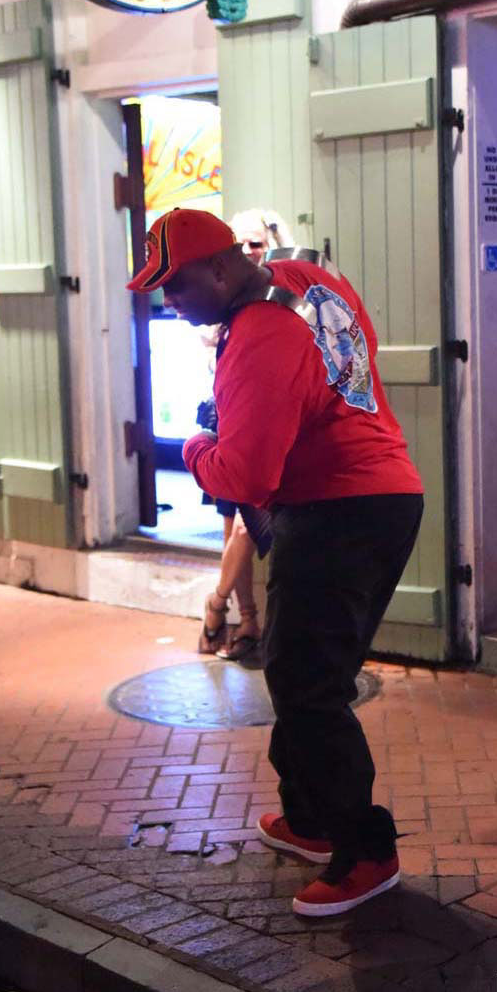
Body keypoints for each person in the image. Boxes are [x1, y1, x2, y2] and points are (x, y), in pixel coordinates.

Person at [127, 207, 424, 917]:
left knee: (306, 682)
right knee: (304, 671)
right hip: (384, 496)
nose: (169, 303)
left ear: (220, 268)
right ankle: (311, 819)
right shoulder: (306, 276)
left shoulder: (257, 337)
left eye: (176, 285)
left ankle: (365, 851)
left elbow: (246, 475)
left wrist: (195, 448)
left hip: (335, 510)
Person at [198, 210, 296, 662]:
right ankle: (249, 621)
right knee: (231, 528)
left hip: (270, 422)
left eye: (256, 243)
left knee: (247, 527)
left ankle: (217, 607)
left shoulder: (281, 294)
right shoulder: (221, 301)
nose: (249, 251)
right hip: (228, 418)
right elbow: (210, 349)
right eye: (240, 244)